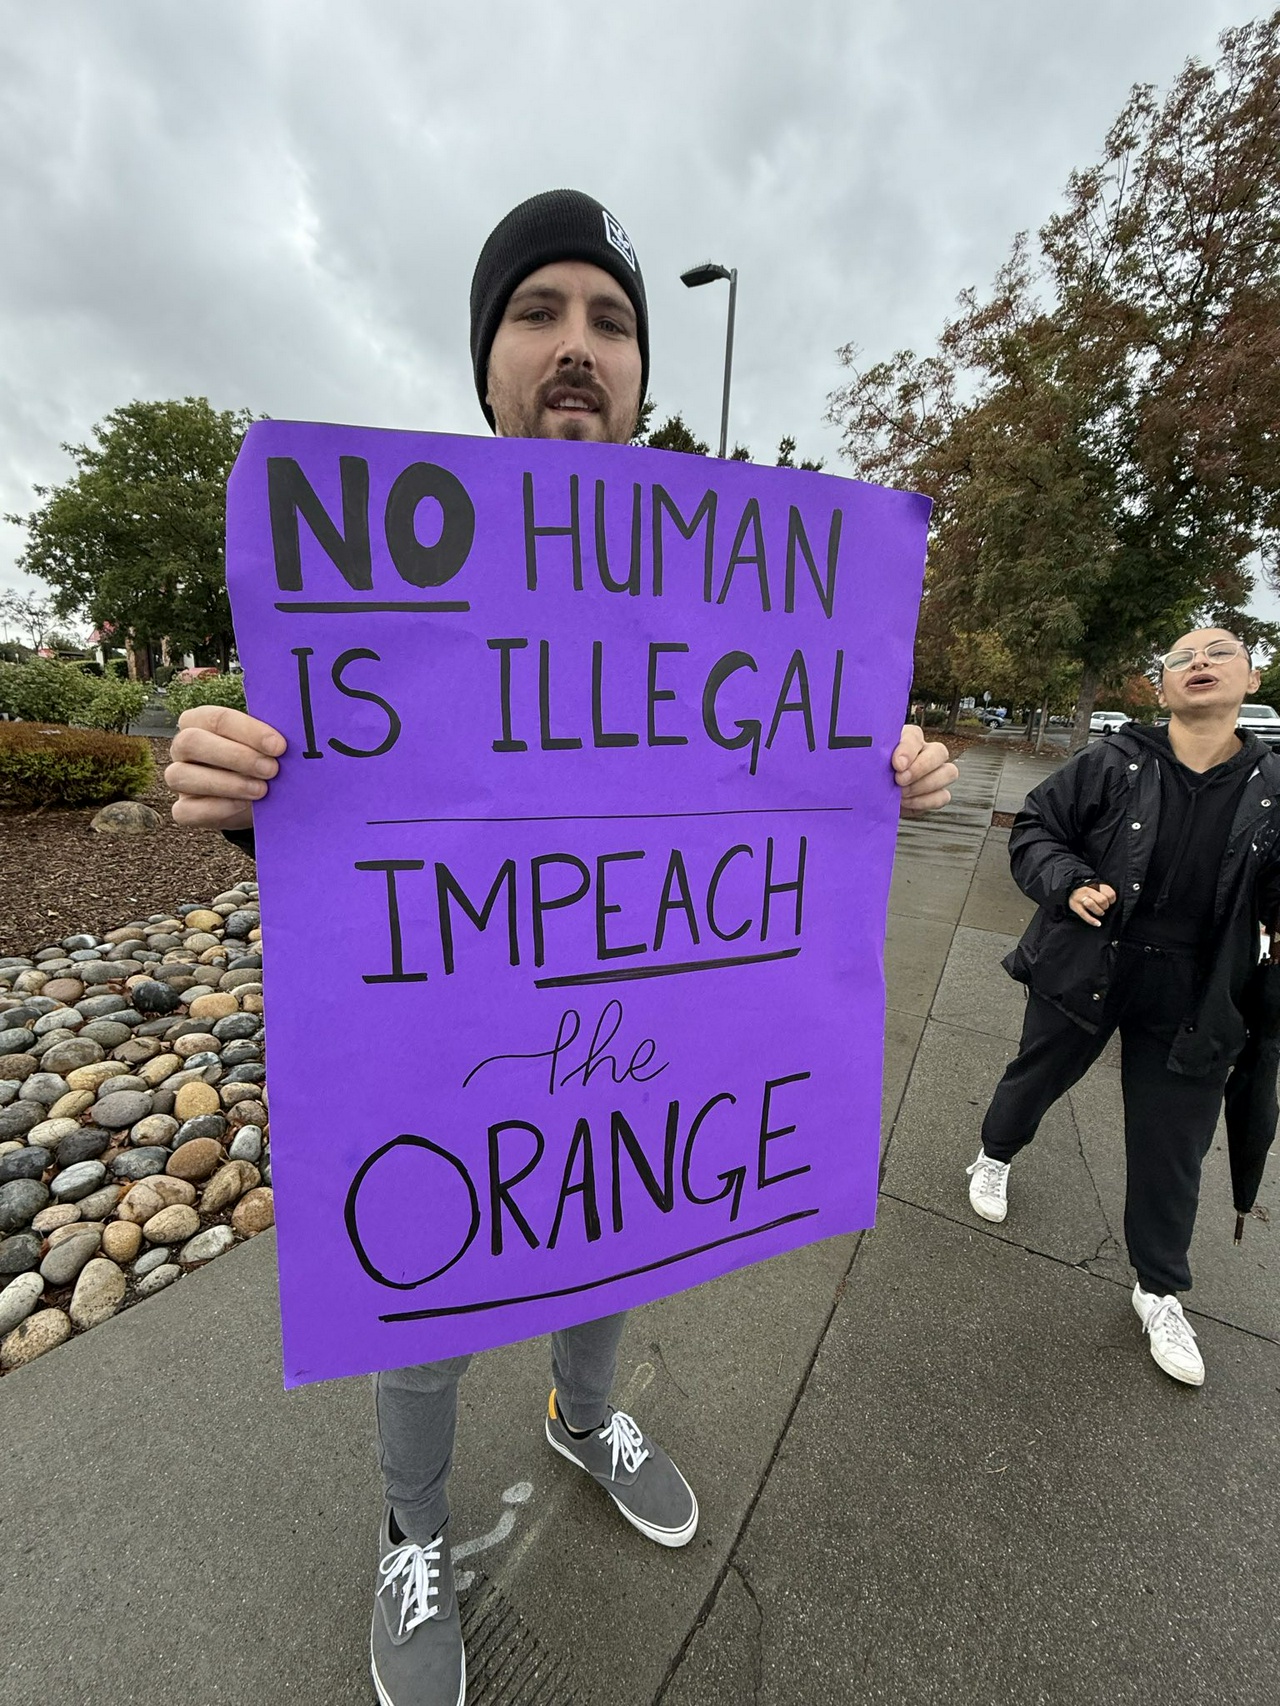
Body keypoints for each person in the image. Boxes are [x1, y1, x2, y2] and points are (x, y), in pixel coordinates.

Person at [166, 189, 959, 1706]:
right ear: (488, 366)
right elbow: (357, 827)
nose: (576, 344)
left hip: (638, 1043)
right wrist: (237, 788)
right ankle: (411, 1527)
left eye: (609, 319)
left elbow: (775, 786)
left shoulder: (732, 593)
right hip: (452, 1047)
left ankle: (582, 1418)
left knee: (610, 1231)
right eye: (537, 313)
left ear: (642, 373)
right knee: (426, 1298)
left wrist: (888, 777)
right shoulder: (386, 586)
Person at [967, 629, 1280, 1389]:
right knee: (1037, 1075)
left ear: (1252, 677)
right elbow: (1036, 829)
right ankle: (994, 1155)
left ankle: (1160, 1289)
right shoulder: (1114, 761)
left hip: (1199, 993)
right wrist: (1069, 882)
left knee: (1175, 1145)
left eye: (1218, 653)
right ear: (1161, 686)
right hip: (1090, 962)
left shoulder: (1274, 785)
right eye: (1180, 658)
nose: (1198, 663)